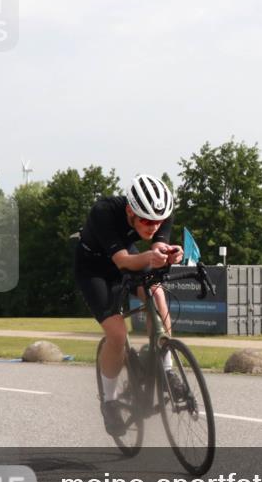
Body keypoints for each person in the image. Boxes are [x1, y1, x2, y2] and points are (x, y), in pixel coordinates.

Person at [74, 174, 184, 436]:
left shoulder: (161, 214)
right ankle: (110, 402)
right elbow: (123, 261)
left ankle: (167, 370)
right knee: (117, 335)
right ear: (129, 211)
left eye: (158, 221)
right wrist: (150, 256)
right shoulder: (104, 212)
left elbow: (157, 246)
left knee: (157, 295)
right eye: (146, 221)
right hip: (95, 269)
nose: (153, 226)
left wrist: (169, 254)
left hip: (130, 258)